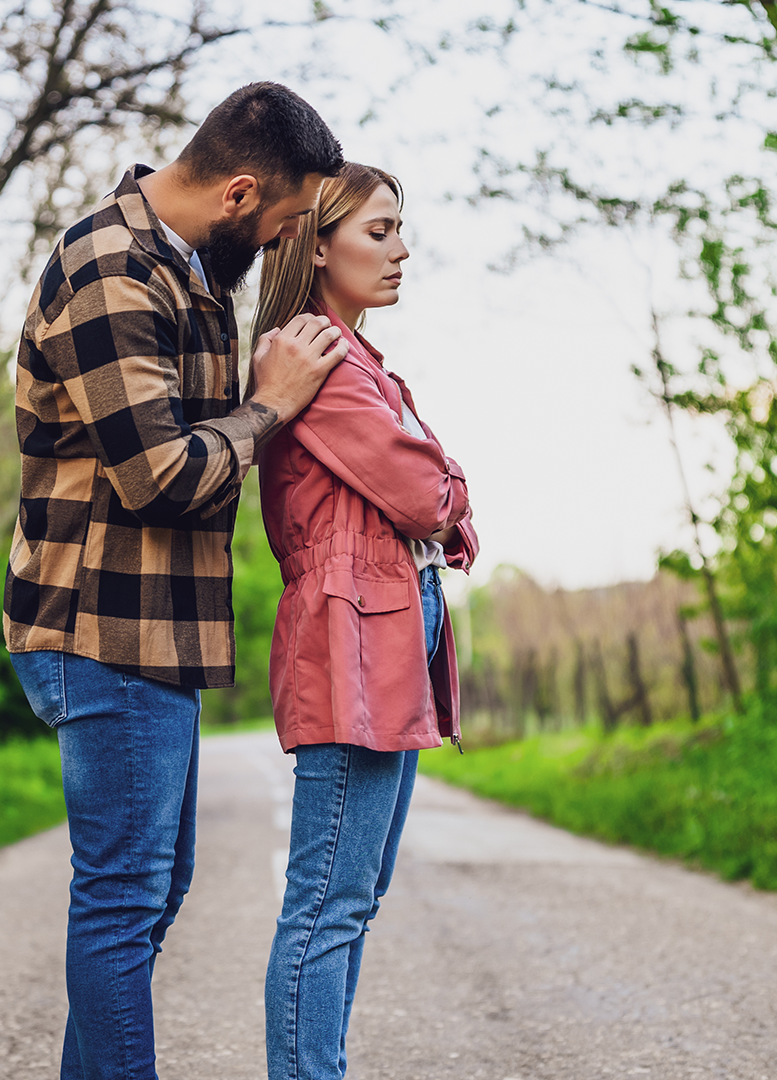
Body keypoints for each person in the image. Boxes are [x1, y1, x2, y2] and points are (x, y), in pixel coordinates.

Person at [3, 82, 350, 1080]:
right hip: (99, 628)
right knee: (120, 903)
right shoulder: (112, 265)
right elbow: (158, 479)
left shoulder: (190, 270)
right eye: (286, 220)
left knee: (148, 894)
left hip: (155, 637)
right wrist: (270, 409)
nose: (286, 240)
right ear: (240, 193)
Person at [252, 163, 479, 1080]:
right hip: (354, 627)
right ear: (317, 243)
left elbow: (424, 500)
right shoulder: (320, 358)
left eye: (399, 230)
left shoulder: (353, 359)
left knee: (353, 894)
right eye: (378, 231)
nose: (401, 249)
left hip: (386, 615)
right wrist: (455, 482)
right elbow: (428, 494)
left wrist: (440, 491)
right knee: (328, 901)